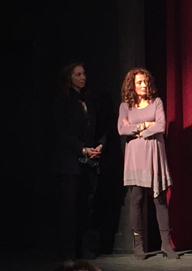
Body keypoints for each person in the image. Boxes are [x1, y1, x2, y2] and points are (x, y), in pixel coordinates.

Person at [117, 68, 179, 260]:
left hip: (154, 156)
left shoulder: (156, 102)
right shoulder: (125, 106)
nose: (143, 85)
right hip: (135, 157)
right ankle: (138, 244)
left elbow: (161, 125)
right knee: (137, 199)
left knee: (159, 200)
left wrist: (136, 130)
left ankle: (166, 244)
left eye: (145, 82)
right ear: (132, 86)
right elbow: (121, 129)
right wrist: (145, 125)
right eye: (139, 83)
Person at [54, 61, 105, 260]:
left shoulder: (89, 100)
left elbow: (97, 128)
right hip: (70, 162)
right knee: (69, 207)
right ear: (69, 78)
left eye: (83, 73)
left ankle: (85, 248)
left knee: (87, 205)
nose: (82, 77)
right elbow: (61, 132)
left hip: (88, 161)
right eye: (78, 74)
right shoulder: (63, 101)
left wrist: (98, 146)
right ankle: (68, 251)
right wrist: (81, 148)